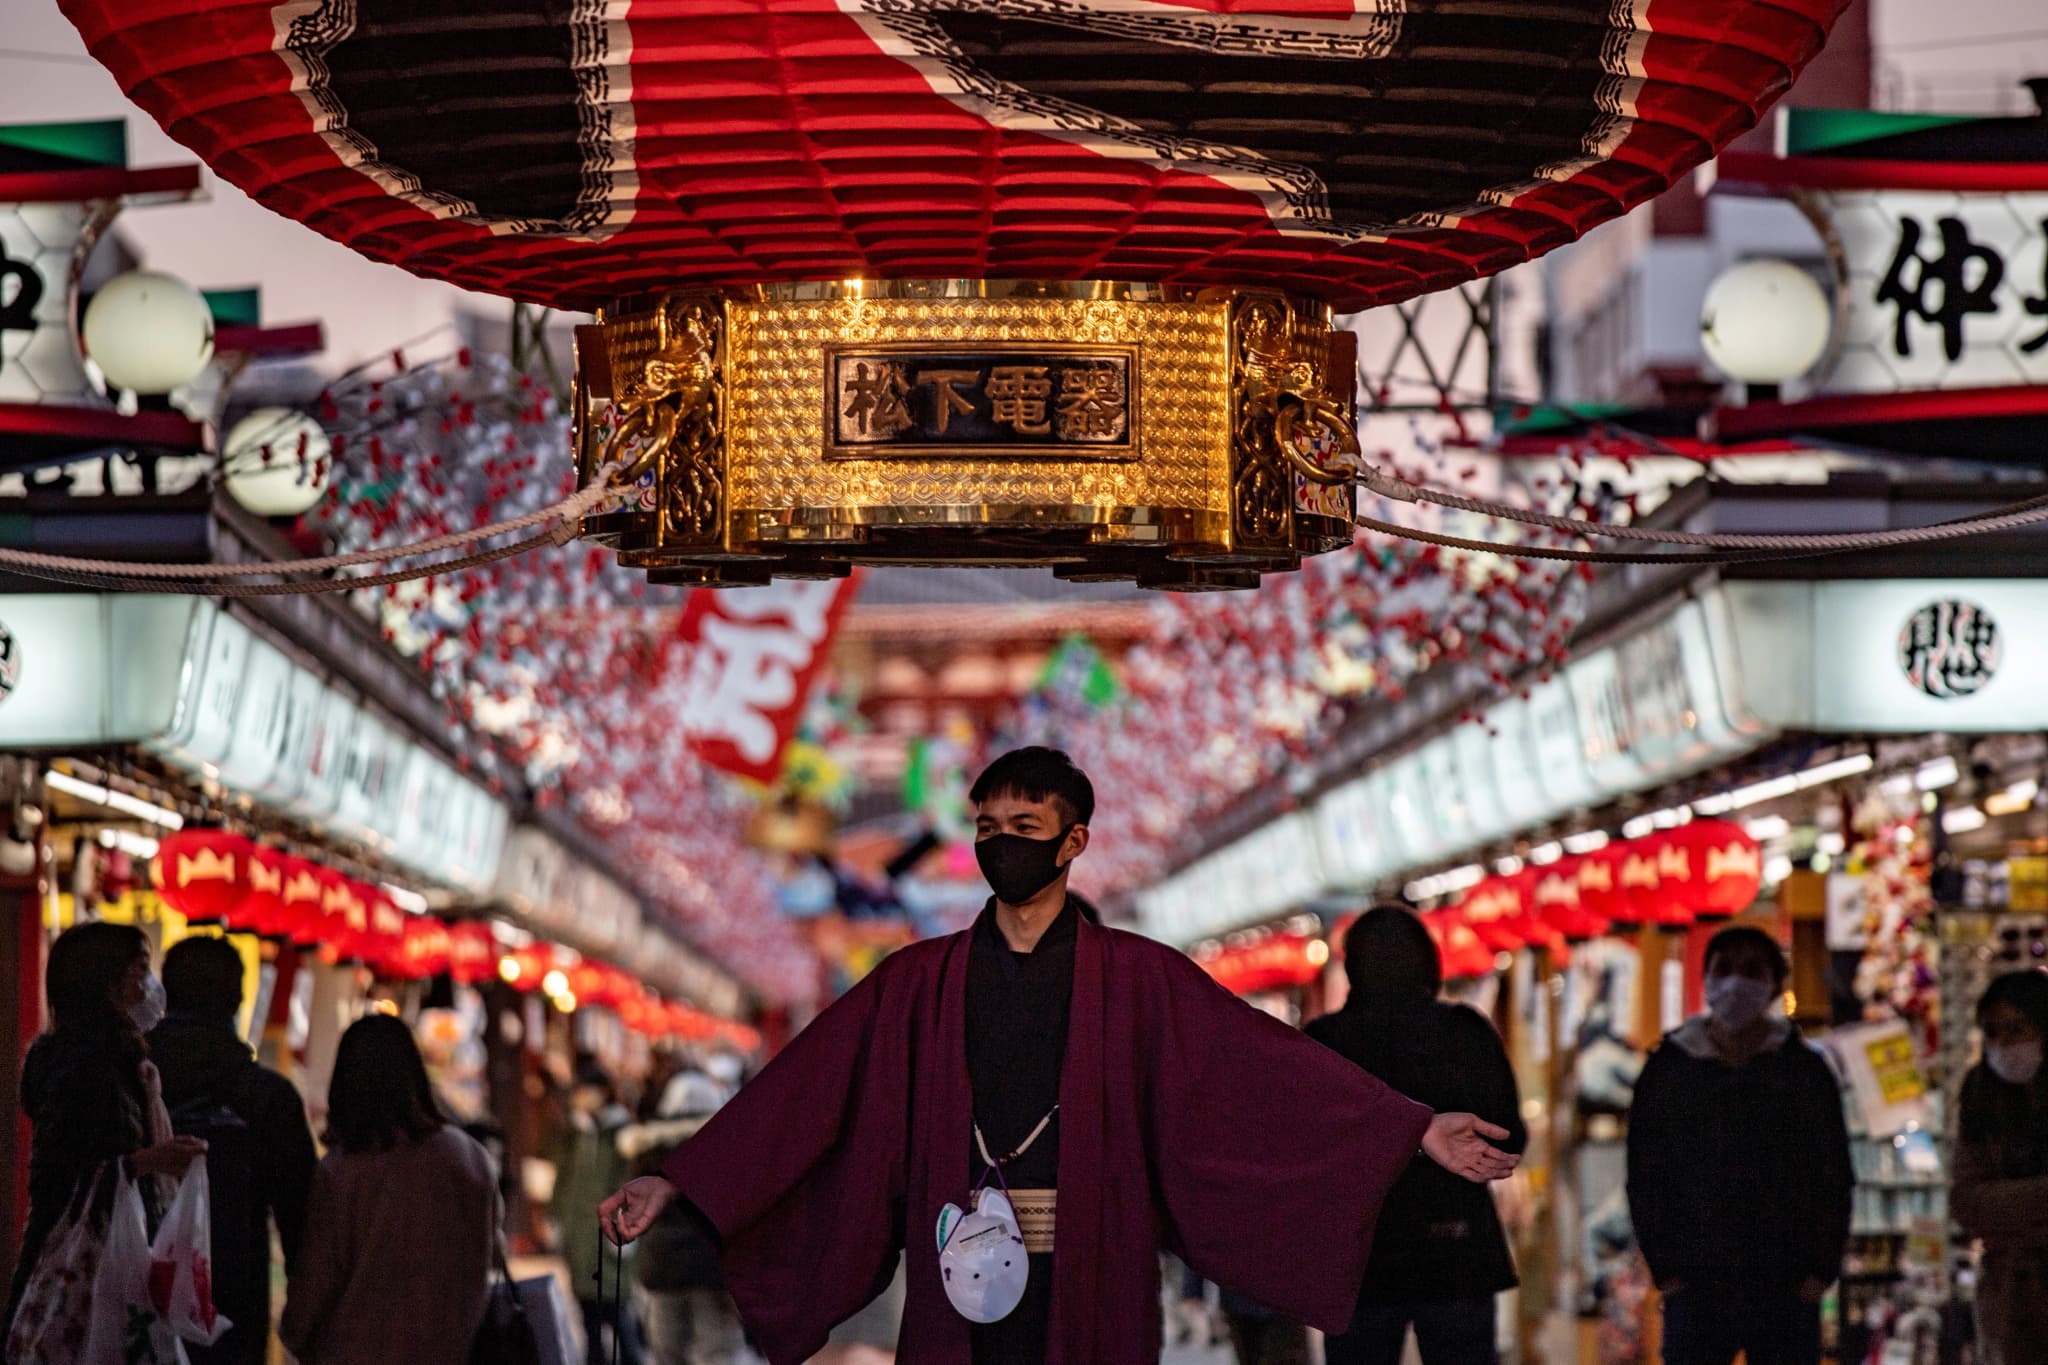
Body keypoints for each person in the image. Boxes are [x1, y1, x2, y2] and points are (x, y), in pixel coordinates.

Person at [601, 747, 1520, 1365]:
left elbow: (1263, 1068)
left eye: (1026, 828)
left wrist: (1411, 1128)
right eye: (988, 828)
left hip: (1093, 1258)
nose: (1004, 844)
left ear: (1074, 841)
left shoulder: (1140, 979)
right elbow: (806, 1090)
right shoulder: (917, 982)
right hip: (958, 1255)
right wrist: (680, 1181)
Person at [1307, 905, 1527, 1365]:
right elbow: (1509, 1137)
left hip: (1361, 1258)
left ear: (1352, 966)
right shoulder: (1465, 1033)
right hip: (1456, 1249)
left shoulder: (1326, 1041)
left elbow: (1303, 1153)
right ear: (1429, 961)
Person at [1625, 925, 1852, 1365]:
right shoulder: (1669, 1069)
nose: (1735, 982)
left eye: (1751, 971)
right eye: (1724, 969)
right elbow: (1645, 1173)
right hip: (1695, 1283)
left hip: (1785, 1283)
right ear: (1706, 978)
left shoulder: (1803, 1071)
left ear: (1774, 984)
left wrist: (1821, 1268)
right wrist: (1665, 1268)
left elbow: (1833, 1172)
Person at [5, 921, 208, 1337]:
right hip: (86, 1289)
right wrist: (149, 1161)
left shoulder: (114, 1063)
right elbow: (60, 1184)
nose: (149, 988)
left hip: (103, 1276)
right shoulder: (88, 1071)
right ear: (105, 984)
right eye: (139, 972)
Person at [280, 1014, 498, 1365]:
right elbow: (490, 1256)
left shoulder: (341, 1173)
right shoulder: (467, 1156)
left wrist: (293, 1334)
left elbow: (314, 1288)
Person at [149, 935, 318, 1365]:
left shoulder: (130, 1087)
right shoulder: (269, 1097)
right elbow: (304, 1230)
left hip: (138, 1300)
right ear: (239, 999)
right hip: (235, 1308)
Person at [1950, 968, 2048, 1365]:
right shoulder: (1980, 1095)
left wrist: (2009, 1207)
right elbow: (1968, 1202)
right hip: (2008, 1297)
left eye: (2016, 1029)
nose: (2003, 1044)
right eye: (1991, 1032)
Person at [555, 1061, 644, 1365]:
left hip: (610, 1238)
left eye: (586, 1090)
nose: (580, 1096)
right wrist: (558, 1219)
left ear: (603, 1092)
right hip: (580, 1238)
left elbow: (630, 1184)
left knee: (617, 1312)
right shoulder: (577, 1132)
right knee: (587, 1316)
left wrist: (626, 1228)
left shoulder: (622, 1134)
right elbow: (564, 1180)